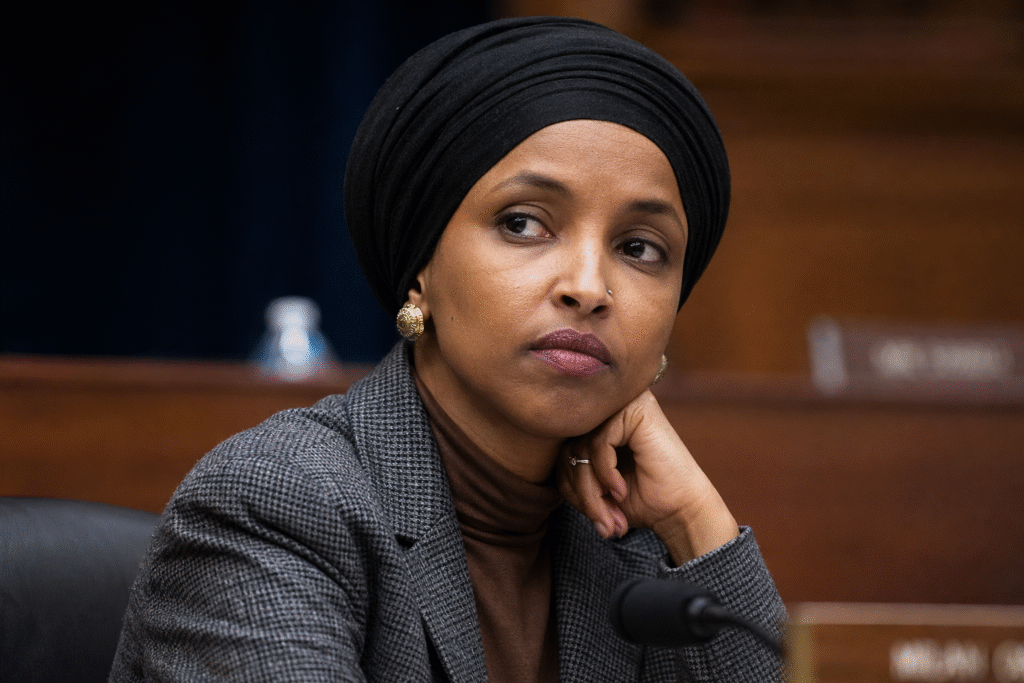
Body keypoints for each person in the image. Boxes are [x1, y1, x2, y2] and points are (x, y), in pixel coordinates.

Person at [110, 16, 786, 682]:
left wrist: (698, 525)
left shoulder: (640, 544)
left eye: (640, 247)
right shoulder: (281, 503)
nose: (589, 287)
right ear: (420, 271)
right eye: (524, 224)